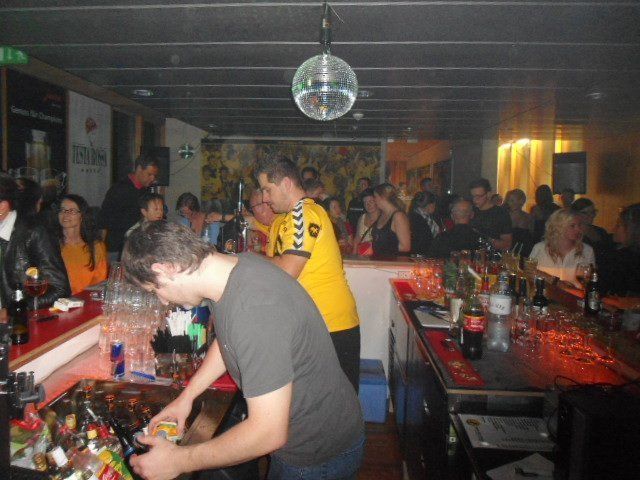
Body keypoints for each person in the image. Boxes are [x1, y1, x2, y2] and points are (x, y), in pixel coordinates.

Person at [122, 221, 364, 480]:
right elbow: (227, 340)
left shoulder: (255, 310)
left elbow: (267, 433)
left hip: (316, 452)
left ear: (164, 269)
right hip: (317, 431)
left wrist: (179, 460)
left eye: (156, 289)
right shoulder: (233, 269)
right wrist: (187, 397)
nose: (163, 300)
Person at [256, 156, 361, 392]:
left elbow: (287, 269)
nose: (264, 198)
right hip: (315, 323)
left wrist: (248, 260)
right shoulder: (288, 218)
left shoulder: (303, 213)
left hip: (330, 324)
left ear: (286, 184)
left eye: (267, 190)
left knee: (336, 405)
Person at [0, 175, 70, 307]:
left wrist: (14, 310)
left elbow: (59, 289)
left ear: (2, 207)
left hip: (18, 318)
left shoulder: (33, 232)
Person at [98, 153, 159, 261]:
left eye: (154, 175)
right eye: (149, 174)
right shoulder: (119, 189)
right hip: (116, 248)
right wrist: (100, 249)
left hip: (136, 247)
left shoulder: (145, 192)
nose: (152, 179)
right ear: (139, 169)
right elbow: (103, 221)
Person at [56, 194, 109, 295]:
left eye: (72, 211)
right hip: (59, 301)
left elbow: (99, 282)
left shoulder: (95, 247)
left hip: (86, 300)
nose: (66, 214)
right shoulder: (51, 245)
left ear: (82, 216)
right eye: (62, 210)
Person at [529, 208, 595, 287]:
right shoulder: (540, 248)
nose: (578, 230)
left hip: (574, 295)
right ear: (558, 227)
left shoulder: (587, 251)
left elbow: (589, 283)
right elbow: (529, 274)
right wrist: (555, 281)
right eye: (572, 226)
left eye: (579, 225)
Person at [599, 203, 640, 296]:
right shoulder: (612, 248)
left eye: (618, 225)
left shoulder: (624, 258)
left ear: (633, 229)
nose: (614, 229)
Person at [468, 178, 512, 251]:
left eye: (478, 196)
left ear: (488, 194)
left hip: (491, 255)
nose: (474, 199)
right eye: (473, 196)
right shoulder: (470, 210)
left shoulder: (500, 213)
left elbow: (507, 244)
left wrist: (485, 238)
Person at [370, 183, 411, 258]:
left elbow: (405, 246)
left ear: (382, 197)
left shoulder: (398, 216)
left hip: (394, 262)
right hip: (380, 260)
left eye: (375, 197)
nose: (374, 200)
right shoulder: (382, 214)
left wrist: (380, 247)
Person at [504, 189, 535, 256]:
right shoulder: (505, 217)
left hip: (525, 250)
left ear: (521, 201)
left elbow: (532, 235)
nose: (510, 203)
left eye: (512, 200)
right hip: (509, 251)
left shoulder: (529, 217)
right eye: (509, 200)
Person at [408, 191, 440, 256]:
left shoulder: (415, 215)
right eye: (435, 204)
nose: (435, 207)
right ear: (430, 205)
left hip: (418, 255)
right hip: (420, 256)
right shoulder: (420, 219)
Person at [352, 188, 379, 256]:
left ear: (377, 201)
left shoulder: (384, 218)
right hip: (363, 256)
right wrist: (354, 257)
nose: (368, 205)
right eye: (365, 202)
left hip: (378, 257)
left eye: (371, 201)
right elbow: (357, 240)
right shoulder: (362, 218)